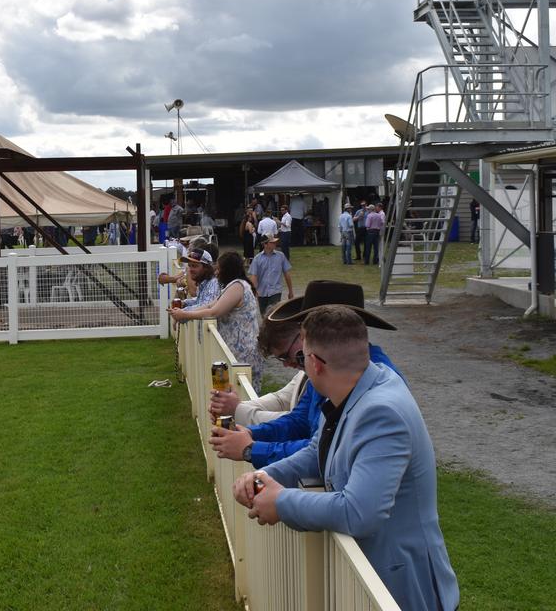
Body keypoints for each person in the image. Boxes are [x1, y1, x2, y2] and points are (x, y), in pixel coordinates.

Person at [232, 306, 459, 611]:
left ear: (314, 362)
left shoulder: (382, 412)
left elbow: (359, 512)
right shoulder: (352, 388)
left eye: (300, 359)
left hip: (401, 592)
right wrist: (266, 477)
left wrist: (281, 502)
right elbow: (317, 451)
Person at [210, 280, 400, 469]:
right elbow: (300, 422)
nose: (308, 336)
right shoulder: (329, 368)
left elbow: (324, 452)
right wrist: (250, 434)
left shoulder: (373, 385)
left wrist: (251, 449)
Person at [169, 251, 264, 390]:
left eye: (219, 269)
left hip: (241, 358)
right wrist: (183, 311)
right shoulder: (232, 286)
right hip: (229, 354)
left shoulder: (237, 287)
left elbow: (214, 312)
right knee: (223, 394)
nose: (217, 272)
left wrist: (184, 316)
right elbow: (209, 305)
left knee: (241, 398)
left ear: (227, 270)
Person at [248, 235, 293, 314]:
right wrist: (254, 291)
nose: (275, 243)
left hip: (275, 291)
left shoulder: (281, 256)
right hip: (261, 292)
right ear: (265, 244)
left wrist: (290, 291)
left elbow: (286, 273)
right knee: (264, 315)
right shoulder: (257, 259)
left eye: (275, 242)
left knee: (272, 314)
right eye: (272, 242)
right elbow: (254, 276)